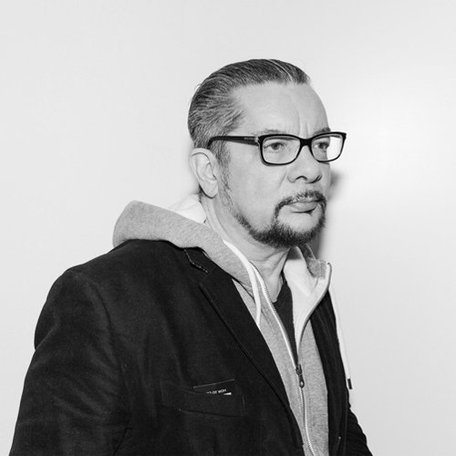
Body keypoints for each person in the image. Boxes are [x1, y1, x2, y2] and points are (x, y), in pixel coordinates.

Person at [10, 59, 372, 455]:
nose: (311, 168)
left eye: (320, 145)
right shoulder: (107, 299)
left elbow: (335, 434)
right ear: (210, 171)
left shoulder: (309, 290)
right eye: (276, 146)